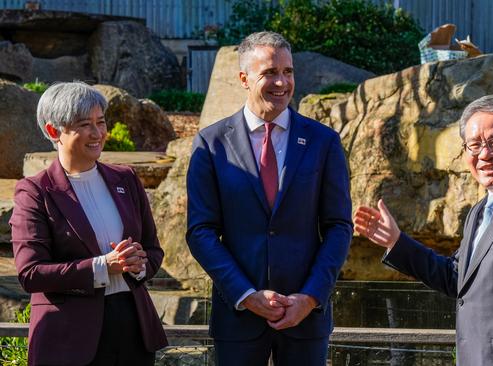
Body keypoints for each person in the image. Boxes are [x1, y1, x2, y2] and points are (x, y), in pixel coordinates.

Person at [354, 94, 493, 365]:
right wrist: (397, 242)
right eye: (473, 145)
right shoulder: (481, 210)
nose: (484, 154)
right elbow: (458, 279)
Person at [186, 31, 352, 365]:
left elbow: (338, 226)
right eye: (270, 73)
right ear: (244, 79)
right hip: (238, 318)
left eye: (288, 72)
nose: (281, 82)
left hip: (305, 318)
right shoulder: (211, 144)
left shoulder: (323, 141)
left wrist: (309, 297)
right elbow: (200, 231)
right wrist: (247, 295)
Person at [10, 82, 167, 366]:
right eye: (84, 124)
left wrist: (139, 264)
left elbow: (153, 250)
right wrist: (102, 267)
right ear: (53, 132)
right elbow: (30, 273)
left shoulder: (127, 179)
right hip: (69, 338)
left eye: (101, 122)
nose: (97, 134)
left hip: (134, 327)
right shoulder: (34, 191)